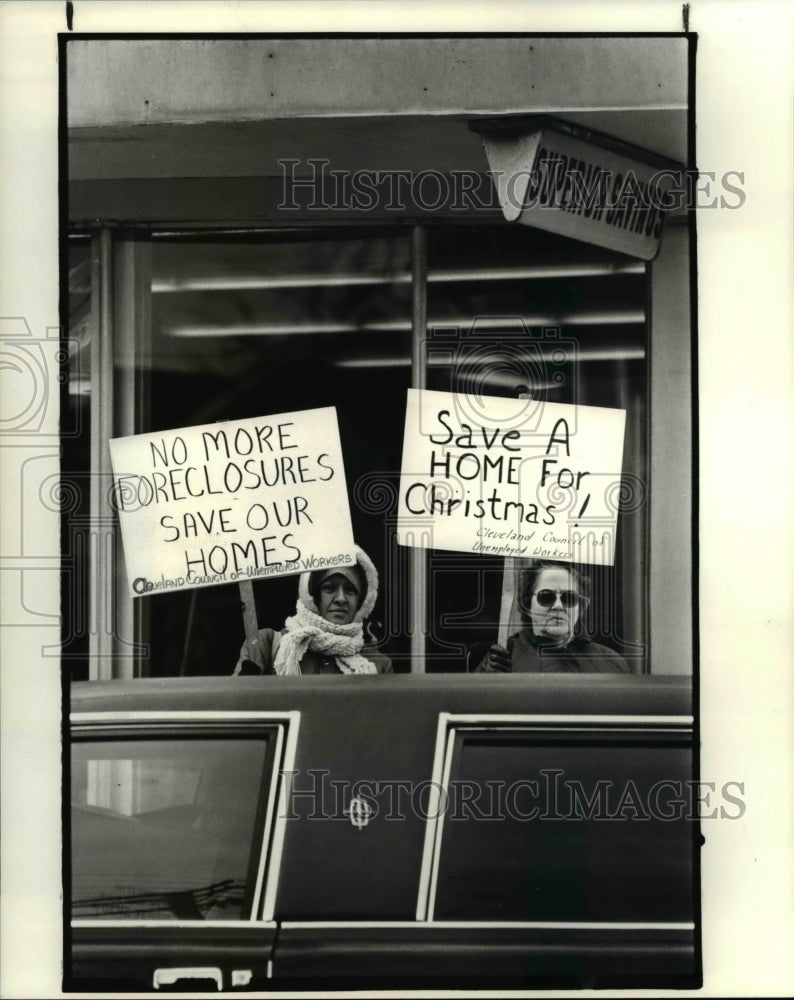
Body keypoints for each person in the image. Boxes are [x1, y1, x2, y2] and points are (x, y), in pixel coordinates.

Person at [234, 545, 392, 675]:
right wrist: (245, 686)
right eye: (329, 588)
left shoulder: (377, 664)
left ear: (360, 601)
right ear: (315, 596)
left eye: (350, 590)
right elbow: (233, 708)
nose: (341, 598)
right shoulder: (265, 645)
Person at [472, 561, 630, 674]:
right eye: (546, 597)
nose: (558, 606)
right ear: (526, 605)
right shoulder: (501, 660)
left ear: (581, 607)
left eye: (569, 598)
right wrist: (484, 680)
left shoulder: (611, 663)